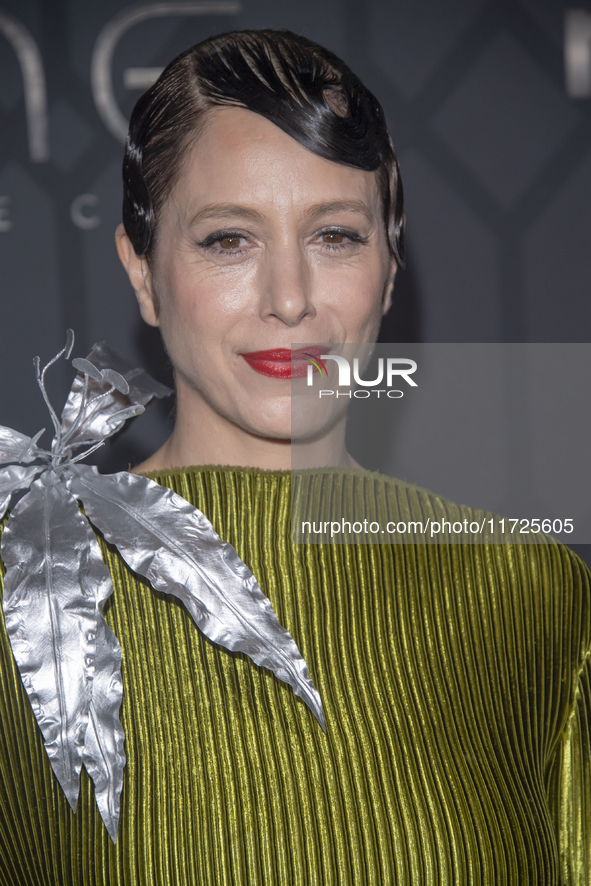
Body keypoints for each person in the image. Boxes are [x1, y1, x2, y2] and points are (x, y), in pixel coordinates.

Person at [0, 28, 589, 885]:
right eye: (227, 240)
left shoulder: (529, 593)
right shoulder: (21, 591)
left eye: (335, 236)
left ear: (389, 265)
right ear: (142, 273)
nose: (289, 300)